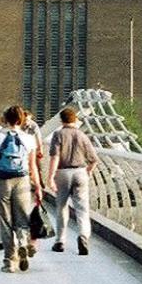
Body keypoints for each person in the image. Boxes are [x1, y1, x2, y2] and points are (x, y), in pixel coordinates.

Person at [0, 106, 42, 272]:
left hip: (3, 181)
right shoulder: (29, 138)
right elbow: (33, 166)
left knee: (5, 221)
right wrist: (37, 186)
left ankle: (10, 261)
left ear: (5, 119)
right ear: (21, 120)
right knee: (22, 217)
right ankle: (23, 243)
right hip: (23, 180)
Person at [46, 105, 100, 255]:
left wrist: (50, 177)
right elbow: (94, 159)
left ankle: (60, 241)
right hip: (80, 172)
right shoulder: (82, 135)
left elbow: (55, 157)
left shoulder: (58, 135)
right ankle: (83, 236)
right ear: (75, 120)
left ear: (61, 120)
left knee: (61, 207)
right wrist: (88, 171)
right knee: (82, 208)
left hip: (63, 172)